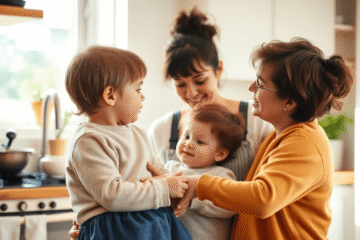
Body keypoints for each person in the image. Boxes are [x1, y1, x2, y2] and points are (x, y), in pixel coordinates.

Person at [164, 37, 354, 239]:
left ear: (289, 101)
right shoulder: (279, 135)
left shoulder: (305, 142)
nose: (251, 88)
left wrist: (199, 185)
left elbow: (263, 199)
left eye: (261, 85)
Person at [65, 45, 192, 240]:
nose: (142, 96)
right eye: (138, 88)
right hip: (116, 228)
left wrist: (174, 186)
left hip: (153, 221)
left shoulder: (138, 134)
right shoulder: (88, 140)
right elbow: (112, 194)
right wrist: (165, 188)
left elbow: (158, 169)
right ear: (110, 95)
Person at [69, 103, 244, 240]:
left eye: (200, 142)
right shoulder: (170, 169)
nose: (189, 143)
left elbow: (229, 206)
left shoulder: (221, 176)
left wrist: (192, 198)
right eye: (186, 136)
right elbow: (146, 190)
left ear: (220, 154)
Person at [147, 7, 273, 182]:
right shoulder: (161, 130)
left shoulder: (258, 119)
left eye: (199, 81)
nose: (190, 93)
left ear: (218, 69)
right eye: (180, 84)